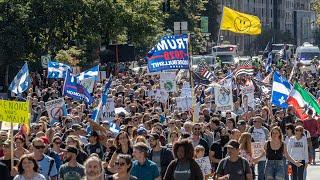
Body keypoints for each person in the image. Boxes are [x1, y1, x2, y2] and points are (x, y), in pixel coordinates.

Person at [248, 116, 269, 180]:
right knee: (251, 171)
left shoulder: (265, 130)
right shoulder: (250, 129)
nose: (254, 123)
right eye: (253, 121)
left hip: (262, 154)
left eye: (255, 121)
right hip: (252, 154)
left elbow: (268, 141)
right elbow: (247, 139)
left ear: (260, 122)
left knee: (261, 172)